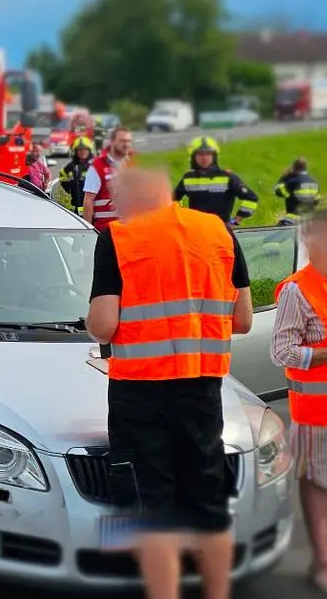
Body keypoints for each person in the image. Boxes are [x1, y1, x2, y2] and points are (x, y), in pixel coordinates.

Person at [87, 167, 253, 599]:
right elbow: (244, 320)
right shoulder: (218, 231)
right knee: (208, 502)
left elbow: (103, 325)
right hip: (202, 388)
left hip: (141, 390)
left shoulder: (119, 237)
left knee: (153, 505)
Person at [269, 208, 327, 598]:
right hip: (320, 411)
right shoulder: (298, 289)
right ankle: (323, 564)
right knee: (318, 484)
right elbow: (282, 352)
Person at [173, 136, 259, 227]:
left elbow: (251, 199)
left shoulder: (228, 177)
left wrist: (234, 222)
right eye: (200, 154)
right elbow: (173, 200)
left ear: (214, 156)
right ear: (193, 156)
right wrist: (181, 219)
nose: (204, 158)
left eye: (208, 154)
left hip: (221, 230)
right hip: (196, 230)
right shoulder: (188, 178)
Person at [82, 125, 134, 231]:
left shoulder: (132, 163)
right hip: (107, 230)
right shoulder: (97, 166)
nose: (126, 144)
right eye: (122, 141)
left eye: (129, 141)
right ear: (113, 142)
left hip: (129, 228)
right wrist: (88, 232)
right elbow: (88, 200)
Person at [274, 158, 321, 226]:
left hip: (293, 220)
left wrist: (284, 177)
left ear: (294, 167)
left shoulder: (293, 181)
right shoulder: (314, 183)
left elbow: (278, 192)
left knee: (278, 234)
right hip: (309, 220)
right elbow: (317, 201)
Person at [59, 136, 95, 214]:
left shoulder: (95, 165)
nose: (82, 152)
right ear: (75, 151)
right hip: (77, 205)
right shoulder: (71, 167)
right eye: (79, 150)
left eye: (85, 149)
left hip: (94, 205)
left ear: (89, 150)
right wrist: (69, 189)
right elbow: (62, 176)